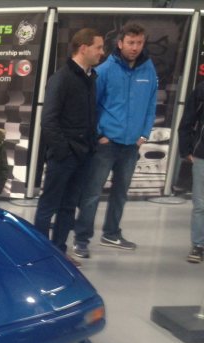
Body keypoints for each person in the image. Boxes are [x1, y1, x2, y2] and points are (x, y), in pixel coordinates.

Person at [73, 23, 158, 258]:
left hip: (131, 145)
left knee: (120, 192)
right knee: (91, 193)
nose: (135, 47)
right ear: (120, 43)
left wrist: (145, 133)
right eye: (130, 42)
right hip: (107, 145)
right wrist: (99, 134)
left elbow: (151, 103)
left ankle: (111, 233)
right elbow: (92, 104)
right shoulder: (106, 70)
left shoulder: (148, 69)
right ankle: (82, 239)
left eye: (139, 43)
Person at [34, 28, 104, 266]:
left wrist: (91, 145)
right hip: (63, 157)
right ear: (83, 48)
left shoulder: (90, 78)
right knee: (48, 206)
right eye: (99, 47)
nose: (102, 53)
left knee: (68, 207)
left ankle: (59, 253)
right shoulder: (61, 78)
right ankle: (41, 255)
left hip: (83, 156)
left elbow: (89, 116)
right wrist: (64, 152)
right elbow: (49, 121)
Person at [177, 80, 204, 263]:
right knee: (200, 203)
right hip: (202, 154)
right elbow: (187, 119)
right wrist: (186, 149)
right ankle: (198, 245)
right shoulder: (201, 89)